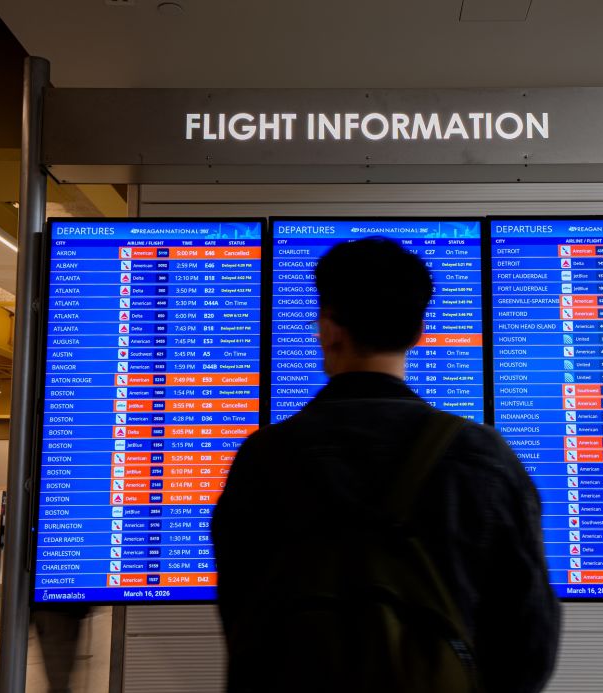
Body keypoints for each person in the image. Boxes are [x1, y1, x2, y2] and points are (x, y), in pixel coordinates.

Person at [213, 237, 560, 693]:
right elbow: (529, 647)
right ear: (417, 332)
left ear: (329, 328)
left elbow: (244, 627)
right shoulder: (484, 459)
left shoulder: (265, 458)